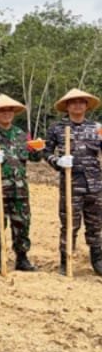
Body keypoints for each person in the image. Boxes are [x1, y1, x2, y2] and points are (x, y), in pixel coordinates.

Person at [0, 94, 44, 272]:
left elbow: (34, 157)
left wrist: (38, 149)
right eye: (2, 111)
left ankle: (22, 258)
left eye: (9, 110)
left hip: (20, 189)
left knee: (22, 223)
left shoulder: (22, 135)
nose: (6, 113)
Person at [44, 88, 102, 276]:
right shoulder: (57, 128)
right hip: (71, 184)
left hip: (95, 185)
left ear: (86, 105)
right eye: (73, 102)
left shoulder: (97, 128)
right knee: (70, 224)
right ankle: (65, 260)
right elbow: (46, 151)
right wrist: (57, 161)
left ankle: (98, 260)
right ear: (67, 106)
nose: (77, 105)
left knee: (95, 225)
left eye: (81, 102)